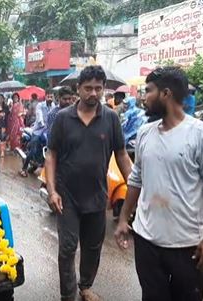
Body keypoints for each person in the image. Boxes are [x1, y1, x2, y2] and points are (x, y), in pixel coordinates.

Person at [114, 67, 203, 301]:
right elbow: (136, 179)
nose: (144, 98)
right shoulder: (145, 133)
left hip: (186, 246)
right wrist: (125, 218)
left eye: (148, 91)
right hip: (146, 241)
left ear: (165, 93)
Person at [45, 65, 133, 301]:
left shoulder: (111, 118)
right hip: (67, 196)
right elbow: (51, 155)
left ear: (104, 89)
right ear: (78, 89)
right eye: (88, 88)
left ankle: (85, 286)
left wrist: (136, 186)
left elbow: (122, 154)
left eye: (98, 88)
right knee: (67, 248)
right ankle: (67, 294)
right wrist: (52, 190)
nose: (93, 93)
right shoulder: (64, 118)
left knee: (93, 248)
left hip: (97, 196)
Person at [20, 91, 56, 177]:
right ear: (45, 97)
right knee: (33, 149)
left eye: (51, 97)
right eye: (48, 96)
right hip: (38, 130)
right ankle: (24, 169)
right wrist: (42, 123)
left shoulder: (53, 106)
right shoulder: (40, 105)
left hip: (48, 130)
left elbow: (55, 116)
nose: (50, 98)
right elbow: (39, 115)